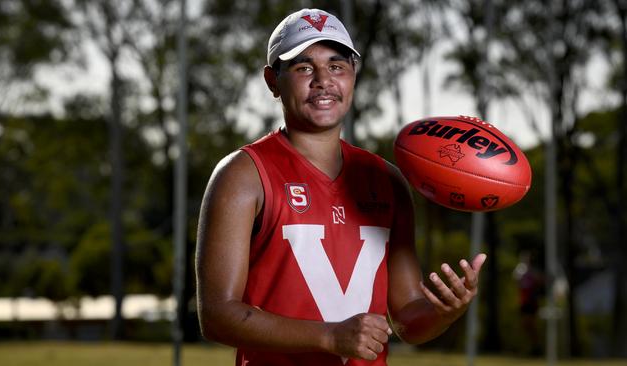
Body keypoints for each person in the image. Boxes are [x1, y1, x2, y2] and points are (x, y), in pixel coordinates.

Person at [195, 8, 486, 365]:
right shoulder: (243, 175)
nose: (323, 80)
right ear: (273, 81)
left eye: (337, 66)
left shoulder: (388, 180)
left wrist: (446, 310)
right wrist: (329, 335)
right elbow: (217, 316)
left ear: (352, 76)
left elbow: (408, 320)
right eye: (304, 67)